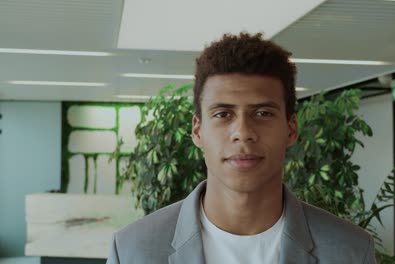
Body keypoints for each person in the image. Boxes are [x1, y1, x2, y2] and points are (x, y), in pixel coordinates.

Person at [106, 33, 376, 264]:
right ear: (198, 131)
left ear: (291, 129)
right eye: (223, 114)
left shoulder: (349, 251)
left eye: (263, 113)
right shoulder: (133, 250)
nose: (243, 133)